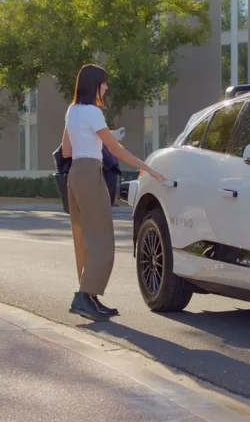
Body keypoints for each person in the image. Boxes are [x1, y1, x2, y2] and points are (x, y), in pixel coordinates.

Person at [62, 64, 165, 321]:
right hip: (90, 174)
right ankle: (83, 297)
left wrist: (97, 140)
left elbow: (66, 150)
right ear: (94, 85)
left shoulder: (72, 110)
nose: (106, 87)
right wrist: (147, 168)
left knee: (90, 239)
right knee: (103, 242)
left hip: (76, 173)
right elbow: (116, 151)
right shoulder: (93, 112)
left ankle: (92, 298)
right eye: (104, 83)